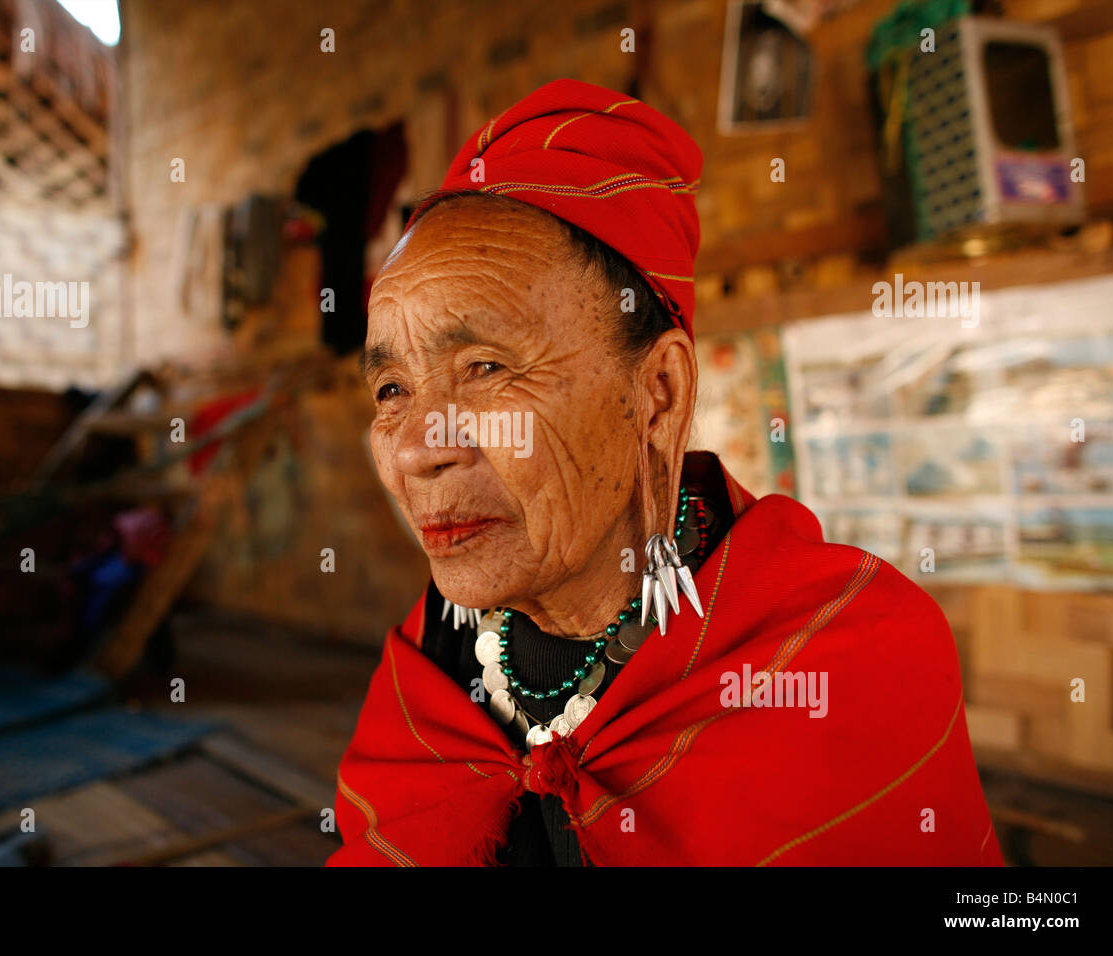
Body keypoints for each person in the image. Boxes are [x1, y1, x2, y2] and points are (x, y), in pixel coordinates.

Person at [328, 78, 1003, 866]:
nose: (416, 448)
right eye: (391, 390)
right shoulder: (425, 685)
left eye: (485, 368)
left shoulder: (845, 658)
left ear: (658, 393)